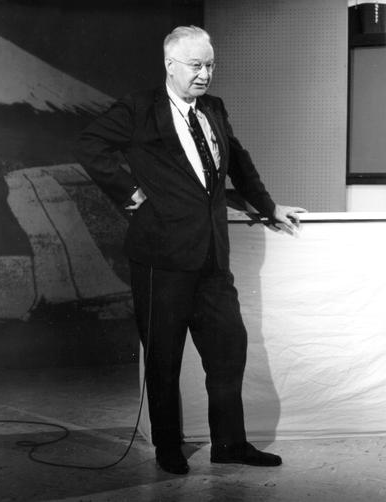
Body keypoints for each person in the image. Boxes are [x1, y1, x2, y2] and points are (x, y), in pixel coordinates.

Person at [75, 25, 306, 475]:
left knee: (228, 351)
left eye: (210, 65)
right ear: (171, 65)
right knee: (164, 360)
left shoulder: (214, 109)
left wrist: (269, 206)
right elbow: (88, 144)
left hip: (212, 260)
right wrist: (131, 195)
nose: (205, 74)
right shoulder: (139, 109)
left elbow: (238, 161)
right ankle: (168, 448)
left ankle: (230, 445)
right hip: (161, 258)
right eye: (196, 65)